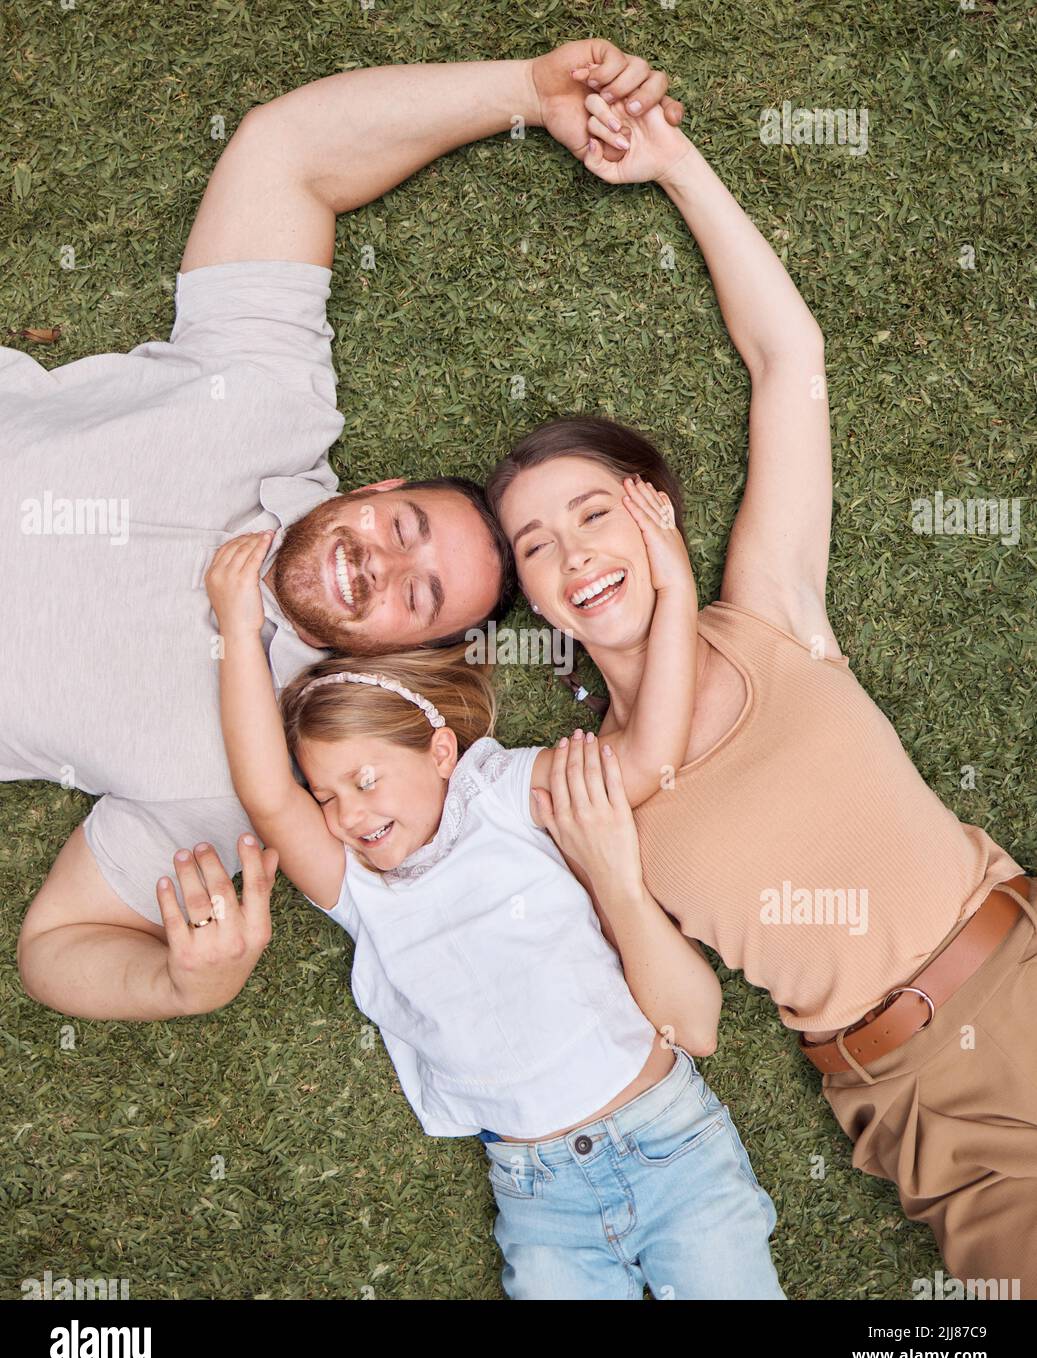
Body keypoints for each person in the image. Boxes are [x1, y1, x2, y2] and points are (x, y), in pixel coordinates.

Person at [7, 40, 683, 1021]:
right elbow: (287, 154)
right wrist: (524, 93)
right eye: (402, 526)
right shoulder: (270, 406)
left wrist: (183, 979)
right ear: (377, 485)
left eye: (416, 595)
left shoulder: (252, 769)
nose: (381, 563)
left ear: (406, 648)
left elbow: (56, 946)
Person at [488, 89, 1037, 1295]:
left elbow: (787, 357)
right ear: (531, 599)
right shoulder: (591, 792)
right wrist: (618, 879)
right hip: (923, 1097)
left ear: (658, 511)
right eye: (534, 546)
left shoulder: (768, 612)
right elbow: (685, 1019)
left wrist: (674, 162)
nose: (574, 554)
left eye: (594, 510)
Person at [185, 487, 784, 1300]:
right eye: (328, 798)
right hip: (541, 1198)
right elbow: (267, 796)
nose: (350, 814)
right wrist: (238, 633)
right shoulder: (361, 891)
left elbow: (646, 760)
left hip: (667, 1143)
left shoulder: (498, 794)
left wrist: (674, 589)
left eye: (363, 780)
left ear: (440, 751)